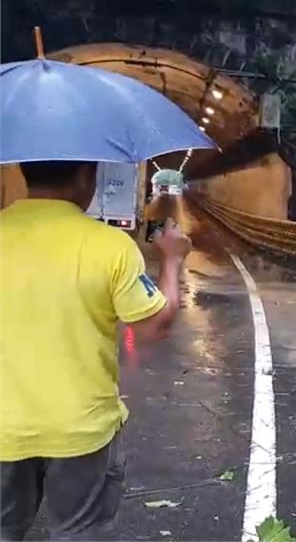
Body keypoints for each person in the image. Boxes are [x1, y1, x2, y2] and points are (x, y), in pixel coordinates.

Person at [0, 160, 192, 540]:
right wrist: (171, 261)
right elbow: (155, 326)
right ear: (87, 177)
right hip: (81, 431)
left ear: (22, 172)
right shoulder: (110, 247)